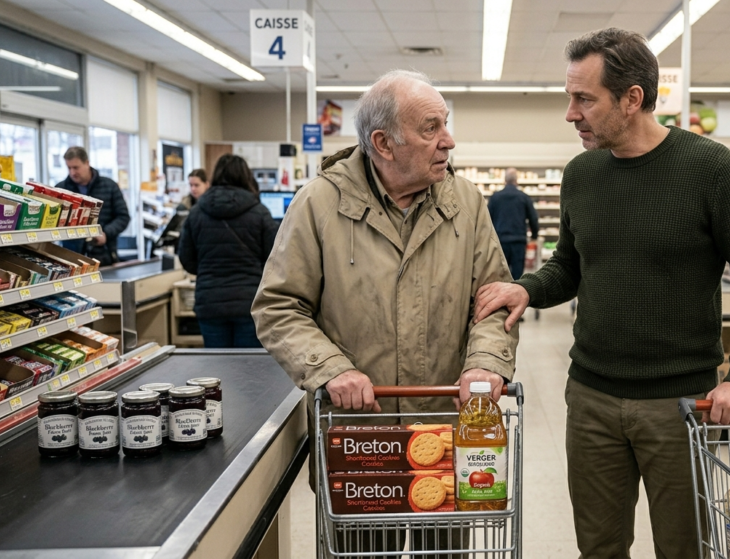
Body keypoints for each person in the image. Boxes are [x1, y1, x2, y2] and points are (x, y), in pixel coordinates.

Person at [472, 28, 730, 559]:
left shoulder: (711, 169)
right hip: (591, 397)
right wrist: (525, 288)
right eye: (570, 97)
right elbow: (569, 266)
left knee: (685, 548)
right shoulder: (582, 174)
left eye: (584, 99)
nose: (570, 114)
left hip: (680, 403)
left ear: (632, 98)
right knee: (598, 548)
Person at [251, 70, 518, 555]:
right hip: (361, 443)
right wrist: (332, 369)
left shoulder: (466, 203)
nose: (448, 140)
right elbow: (279, 305)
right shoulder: (320, 204)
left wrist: (485, 362)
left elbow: (493, 300)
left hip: (445, 435)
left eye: (445, 124)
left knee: (447, 553)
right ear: (383, 143)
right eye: (431, 128)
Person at [178, 155, 277, 348]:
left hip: (209, 301)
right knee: (249, 363)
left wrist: (208, 270)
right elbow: (274, 256)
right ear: (246, 176)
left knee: (216, 362)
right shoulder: (260, 212)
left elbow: (186, 258)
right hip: (250, 301)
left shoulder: (196, 213)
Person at [56, 147, 131, 266]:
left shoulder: (109, 186)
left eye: (76, 167)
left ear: (87, 163)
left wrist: (106, 233)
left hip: (104, 255)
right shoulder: (61, 190)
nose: (72, 172)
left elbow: (123, 217)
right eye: (69, 168)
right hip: (71, 257)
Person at [487, 167, 539, 279]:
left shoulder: (495, 197)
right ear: (516, 180)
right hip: (518, 241)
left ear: (504, 180)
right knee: (517, 275)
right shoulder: (524, 197)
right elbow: (533, 218)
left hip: (500, 241)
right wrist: (534, 236)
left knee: (500, 275)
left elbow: (487, 219)